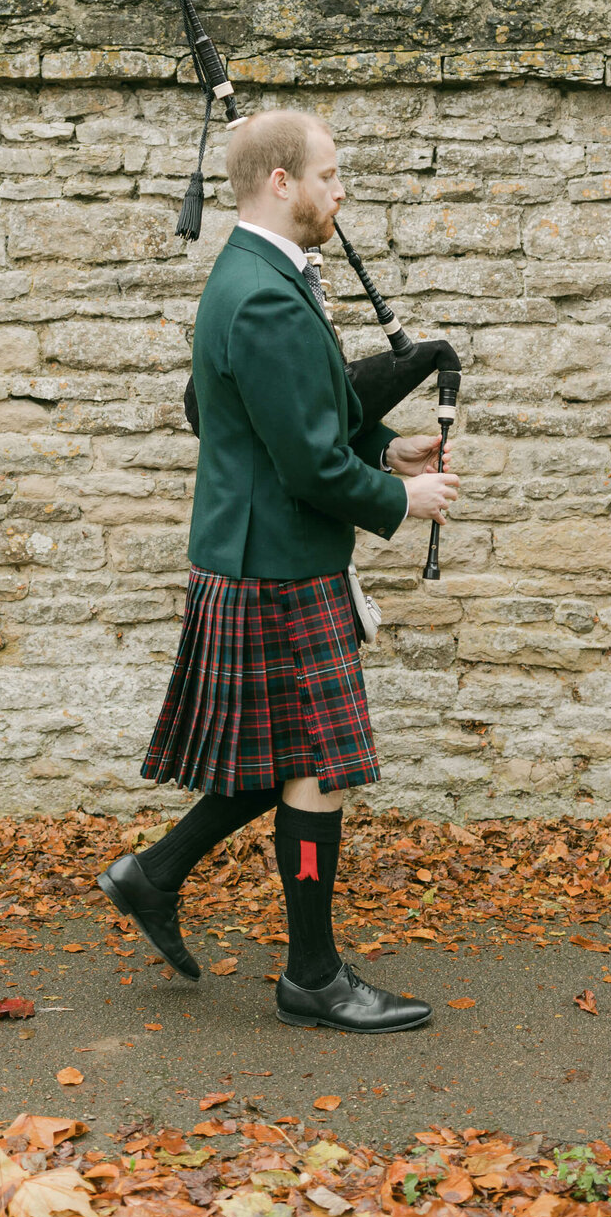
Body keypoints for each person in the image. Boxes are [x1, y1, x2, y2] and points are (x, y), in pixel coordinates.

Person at [98, 109, 460, 1033]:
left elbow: (310, 416)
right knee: (320, 767)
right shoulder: (261, 296)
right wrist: (395, 504)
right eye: (330, 176)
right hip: (276, 564)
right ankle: (311, 975)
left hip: (266, 555)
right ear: (280, 184)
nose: (342, 193)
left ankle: (156, 876)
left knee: (289, 760)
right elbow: (304, 463)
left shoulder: (265, 275)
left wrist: (387, 451)